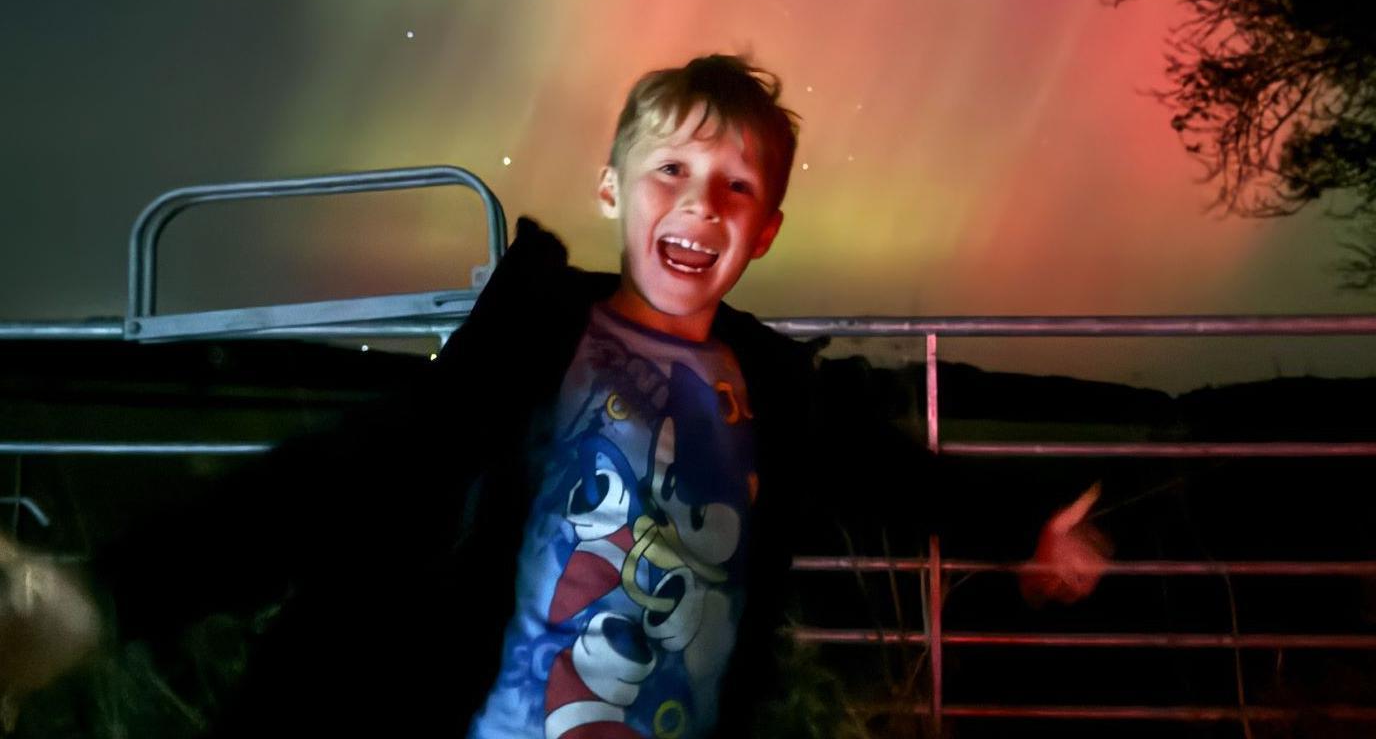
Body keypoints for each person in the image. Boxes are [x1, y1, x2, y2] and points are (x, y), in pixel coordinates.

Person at [0, 54, 1106, 737]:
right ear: (611, 187)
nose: (701, 203)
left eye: (737, 186)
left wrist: (1020, 525)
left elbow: (881, 470)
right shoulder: (539, 329)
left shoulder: (769, 380)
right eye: (670, 169)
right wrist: (109, 596)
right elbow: (364, 460)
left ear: (764, 231)